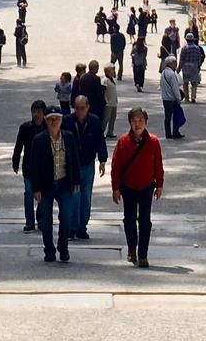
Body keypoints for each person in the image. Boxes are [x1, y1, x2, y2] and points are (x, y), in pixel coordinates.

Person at [111, 106, 164, 268]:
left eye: (141, 120)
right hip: (128, 186)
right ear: (130, 123)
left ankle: (143, 255)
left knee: (145, 221)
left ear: (146, 122)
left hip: (147, 186)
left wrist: (160, 185)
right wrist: (115, 188)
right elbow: (116, 166)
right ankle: (132, 248)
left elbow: (158, 165)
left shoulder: (153, 141)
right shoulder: (123, 141)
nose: (138, 124)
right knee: (129, 219)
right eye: (134, 121)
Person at [24, 109, 79, 263]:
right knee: (46, 221)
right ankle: (49, 250)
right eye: (50, 119)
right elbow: (33, 166)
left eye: (57, 119)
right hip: (46, 186)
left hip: (64, 183)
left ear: (61, 120)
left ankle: (63, 248)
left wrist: (76, 181)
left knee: (66, 217)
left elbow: (74, 159)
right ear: (46, 121)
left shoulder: (68, 137)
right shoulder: (39, 140)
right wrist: (36, 188)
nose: (54, 122)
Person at [66, 94, 109, 238]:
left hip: (88, 164)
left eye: (82, 109)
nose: (79, 112)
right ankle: (72, 227)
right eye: (77, 109)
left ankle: (82, 227)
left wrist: (102, 160)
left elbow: (100, 141)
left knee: (86, 197)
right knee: (74, 197)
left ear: (88, 108)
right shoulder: (67, 121)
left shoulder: (95, 121)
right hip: (72, 166)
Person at [12, 100, 49, 232]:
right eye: (34, 112)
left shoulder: (49, 127)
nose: (36, 115)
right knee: (29, 193)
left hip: (44, 169)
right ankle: (29, 221)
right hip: (28, 167)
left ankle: (40, 218)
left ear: (44, 113)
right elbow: (18, 146)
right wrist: (15, 161)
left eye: (39, 112)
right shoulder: (25, 127)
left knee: (43, 195)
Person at [159, 56, 185, 139]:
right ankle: (175, 132)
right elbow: (175, 88)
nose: (176, 65)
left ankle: (168, 134)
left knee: (167, 117)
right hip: (172, 99)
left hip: (165, 99)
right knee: (175, 116)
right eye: (174, 63)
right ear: (170, 64)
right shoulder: (172, 74)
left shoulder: (163, 73)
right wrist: (178, 98)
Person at [178, 35, 205, 103]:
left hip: (185, 67)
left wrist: (178, 69)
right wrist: (198, 66)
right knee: (194, 83)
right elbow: (199, 58)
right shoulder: (197, 48)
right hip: (194, 67)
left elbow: (181, 60)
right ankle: (193, 96)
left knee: (185, 83)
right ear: (193, 40)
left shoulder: (184, 48)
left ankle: (187, 97)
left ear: (186, 40)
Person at [102, 64, 121, 137]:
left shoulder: (112, 80)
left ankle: (110, 131)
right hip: (108, 103)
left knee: (113, 118)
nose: (114, 72)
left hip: (114, 102)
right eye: (112, 70)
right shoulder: (105, 81)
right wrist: (105, 100)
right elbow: (102, 92)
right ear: (108, 72)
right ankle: (102, 132)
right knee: (106, 119)